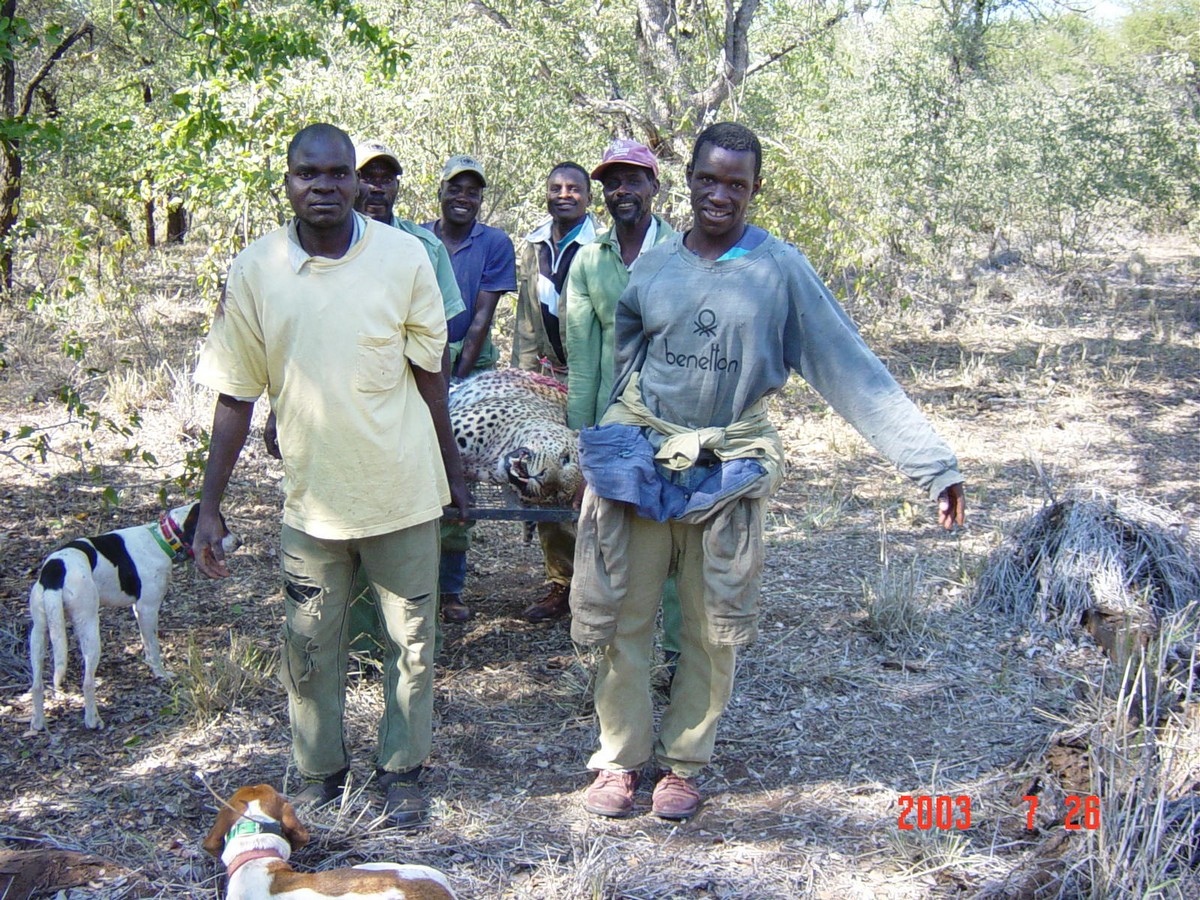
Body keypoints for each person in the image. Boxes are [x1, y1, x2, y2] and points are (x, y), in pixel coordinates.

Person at [571, 122, 966, 821]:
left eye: (736, 183)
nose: (720, 195)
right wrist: (607, 448)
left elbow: (849, 367)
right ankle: (620, 760)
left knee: (710, 622)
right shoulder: (655, 266)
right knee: (621, 617)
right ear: (687, 179)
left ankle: (685, 762)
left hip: (727, 469)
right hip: (643, 463)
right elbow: (628, 359)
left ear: (756, 190)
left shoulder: (779, 269)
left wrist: (932, 465)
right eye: (709, 179)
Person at [191, 123, 469, 828]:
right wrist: (210, 504)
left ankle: (402, 770)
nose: (323, 186)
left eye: (337, 174)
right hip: (311, 505)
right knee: (310, 648)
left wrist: (452, 470)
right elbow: (234, 394)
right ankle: (320, 773)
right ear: (286, 181)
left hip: (402, 492)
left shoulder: (405, 258)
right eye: (306, 174)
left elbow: (431, 376)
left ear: (356, 181)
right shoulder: (258, 269)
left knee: (411, 643)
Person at [562, 139, 682, 669]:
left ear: (655, 186)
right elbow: (584, 363)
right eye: (612, 182)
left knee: (678, 542)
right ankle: (616, 657)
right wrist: (581, 444)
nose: (622, 190)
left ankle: (679, 655)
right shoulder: (589, 262)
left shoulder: (684, 255)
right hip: (615, 425)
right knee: (613, 538)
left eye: (634, 179)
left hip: (678, 423)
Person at [423, 155, 518, 623]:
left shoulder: (495, 243)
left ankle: (452, 588)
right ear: (439, 193)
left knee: (458, 474)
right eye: (455, 189)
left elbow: (482, 316)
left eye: (473, 191)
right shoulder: (417, 238)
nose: (463, 198)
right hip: (418, 366)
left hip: (469, 372)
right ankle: (415, 580)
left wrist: (455, 381)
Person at [510, 162, 596, 622]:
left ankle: (595, 587)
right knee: (545, 478)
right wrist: (523, 382)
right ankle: (561, 583)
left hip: (588, 380)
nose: (565, 195)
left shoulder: (600, 246)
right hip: (544, 379)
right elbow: (526, 318)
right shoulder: (535, 245)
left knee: (587, 481)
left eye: (574, 189)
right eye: (556, 188)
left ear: (587, 197)